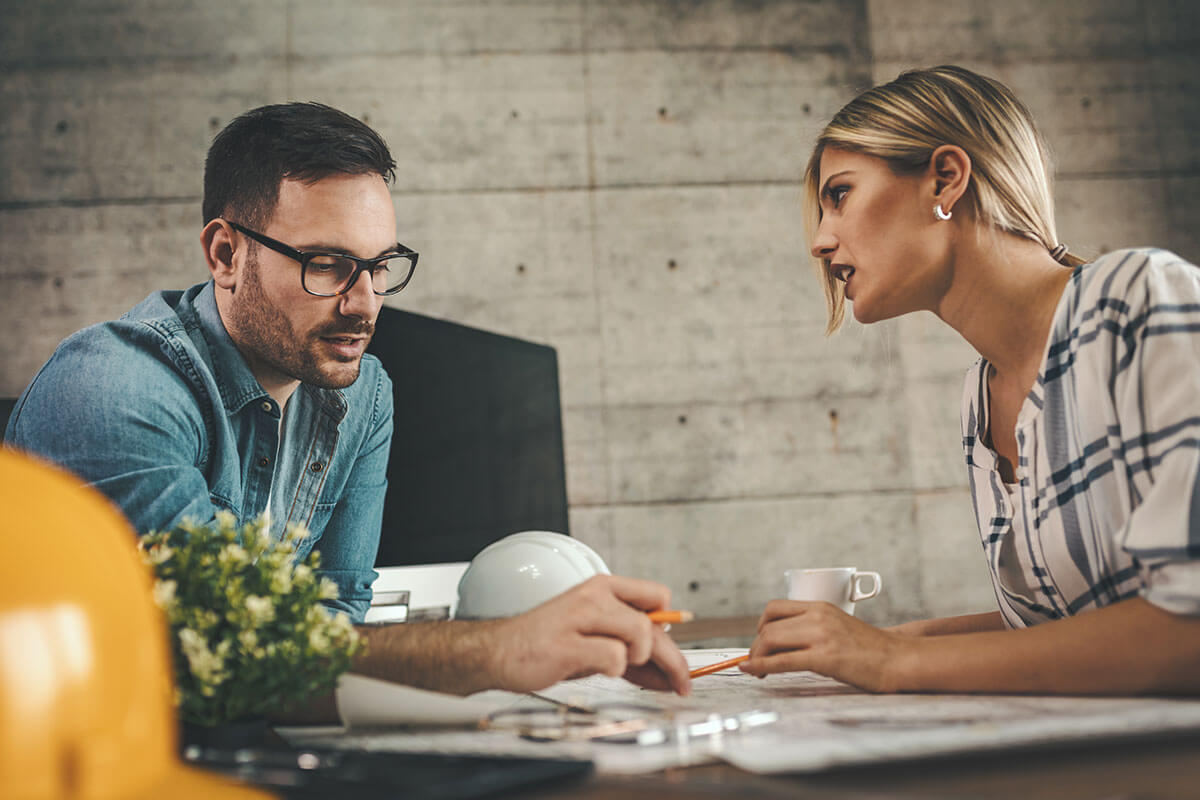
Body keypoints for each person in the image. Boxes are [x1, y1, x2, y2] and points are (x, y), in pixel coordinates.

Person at [4, 101, 690, 702]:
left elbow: (336, 617)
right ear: (224, 254)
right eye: (327, 264)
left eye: (380, 267)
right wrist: (497, 651)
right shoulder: (115, 391)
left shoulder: (364, 394)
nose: (363, 304)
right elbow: (217, 659)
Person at [741, 65, 1200, 694]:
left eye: (840, 194)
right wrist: (893, 641)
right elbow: (1070, 626)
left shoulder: (1138, 300)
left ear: (946, 178)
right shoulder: (979, 398)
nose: (821, 242)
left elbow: (1188, 627)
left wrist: (891, 661)